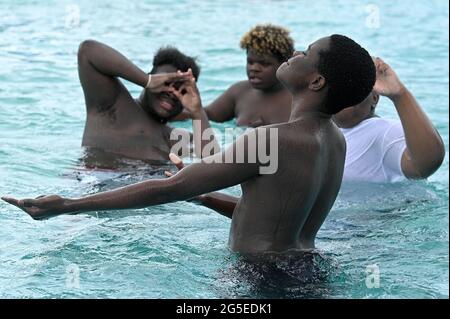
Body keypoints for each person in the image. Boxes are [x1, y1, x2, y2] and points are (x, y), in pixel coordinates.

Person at [3, 35, 376, 254]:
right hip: (307, 271)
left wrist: (66, 205)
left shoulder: (272, 138)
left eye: (305, 54)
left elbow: (170, 187)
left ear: (315, 82)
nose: (295, 55)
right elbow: (272, 215)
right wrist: (203, 197)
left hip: (259, 285)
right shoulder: (335, 140)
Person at [76, 40, 217, 166]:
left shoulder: (178, 139)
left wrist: (197, 111)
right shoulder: (113, 105)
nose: (172, 93)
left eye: (181, 90)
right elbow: (88, 51)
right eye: (167, 83)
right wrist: (147, 80)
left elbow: (213, 169)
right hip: (94, 186)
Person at [332, 58, 445, 182]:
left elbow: (423, 166)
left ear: (374, 98)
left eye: (355, 88)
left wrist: (400, 95)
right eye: (339, 85)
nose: (344, 93)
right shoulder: (325, 131)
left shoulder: (383, 132)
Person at [172, 24, 294, 127]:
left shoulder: (299, 97)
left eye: (264, 64)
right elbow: (204, 115)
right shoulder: (240, 92)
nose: (254, 68)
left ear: (285, 63)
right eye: (250, 62)